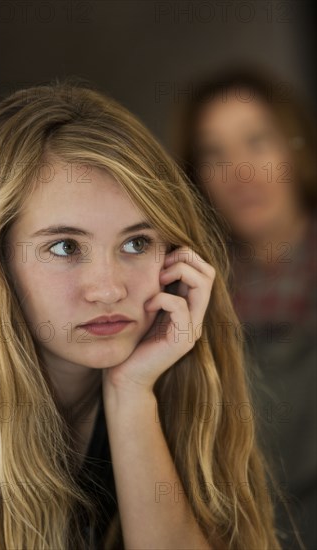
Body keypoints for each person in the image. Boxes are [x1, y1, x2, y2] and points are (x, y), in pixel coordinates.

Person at [0, 79, 282, 550]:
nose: (107, 289)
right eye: (64, 247)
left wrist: (130, 394)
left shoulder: (179, 384)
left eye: (136, 243)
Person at [172, 68, 316, 549]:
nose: (240, 173)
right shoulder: (187, 293)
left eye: (257, 142)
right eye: (215, 154)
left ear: (295, 149)